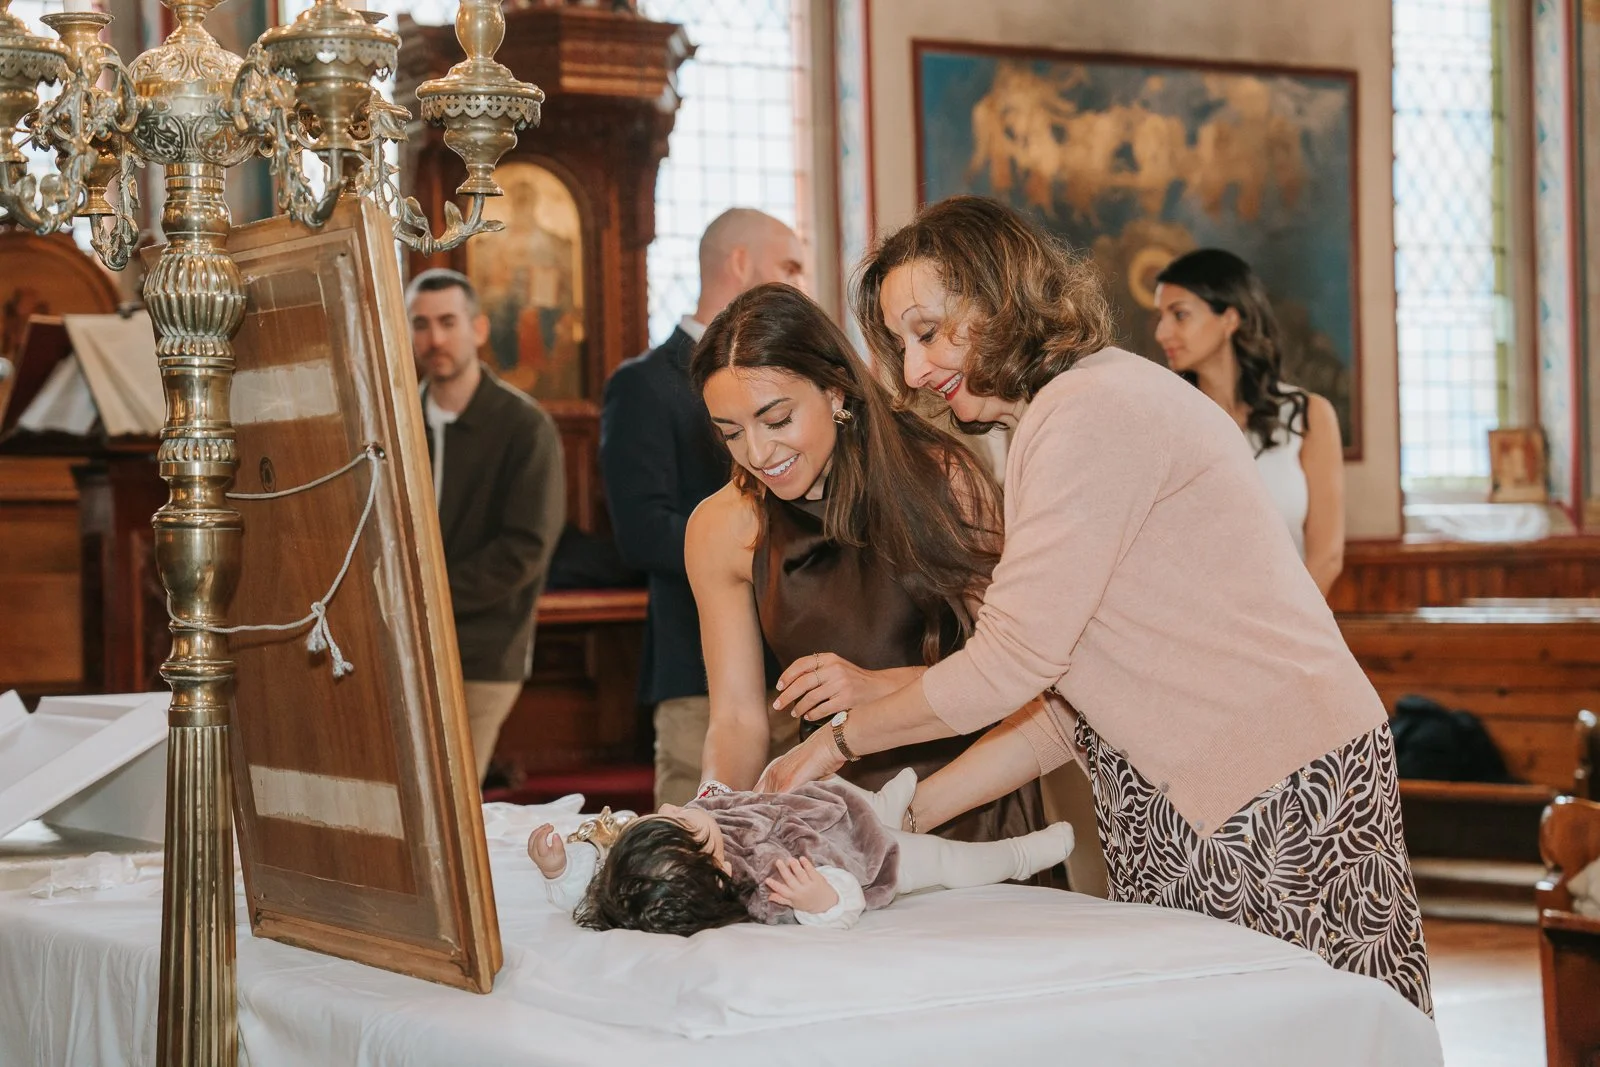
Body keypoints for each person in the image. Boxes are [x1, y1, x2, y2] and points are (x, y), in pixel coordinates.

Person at [758, 196, 1433, 1015]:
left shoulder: (1085, 411)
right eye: (899, 344)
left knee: (1305, 1034)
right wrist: (897, 812)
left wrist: (840, 742)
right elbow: (1068, 704)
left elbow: (1013, 661)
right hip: (1211, 780)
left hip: (1272, 779)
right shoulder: (1063, 412)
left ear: (999, 297)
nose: (912, 370)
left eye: (928, 331)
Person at [685, 282, 1051, 850]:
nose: (757, 454)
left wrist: (878, 687)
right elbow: (736, 721)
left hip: (969, 802)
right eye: (731, 433)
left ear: (835, 389)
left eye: (777, 419)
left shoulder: (941, 480)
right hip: (830, 816)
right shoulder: (722, 528)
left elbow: (1024, 677)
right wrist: (715, 812)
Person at [601, 209, 806, 808]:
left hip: (794, 667)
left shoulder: (793, 381)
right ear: (740, 263)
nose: (799, 283)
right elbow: (641, 532)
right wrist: (768, 550)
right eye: (788, 266)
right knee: (698, 857)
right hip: (698, 675)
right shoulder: (645, 383)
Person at [527, 779, 1074, 934]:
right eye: (677, 818)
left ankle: (876, 803)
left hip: (819, 811)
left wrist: (560, 870)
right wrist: (823, 901)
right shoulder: (768, 889)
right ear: (715, 865)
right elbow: (842, 904)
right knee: (945, 862)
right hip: (865, 856)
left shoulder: (638, 875)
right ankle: (1018, 855)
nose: (671, 804)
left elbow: (599, 890)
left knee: (847, 796)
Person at [408, 268, 567, 784]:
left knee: (450, 794)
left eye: (448, 322)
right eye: (421, 324)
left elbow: (525, 549)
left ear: (477, 329)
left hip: (482, 649)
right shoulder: (394, 416)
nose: (435, 339)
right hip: (401, 641)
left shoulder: (523, 426)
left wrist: (422, 595)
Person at [1153, 249, 1345, 594]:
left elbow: (1327, 557)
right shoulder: (1167, 423)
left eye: (1179, 315)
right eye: (1160, 317)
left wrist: (1284, 636)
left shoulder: (1309, 416)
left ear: (1230, 318)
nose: (1161, 333)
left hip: (1293, 631)